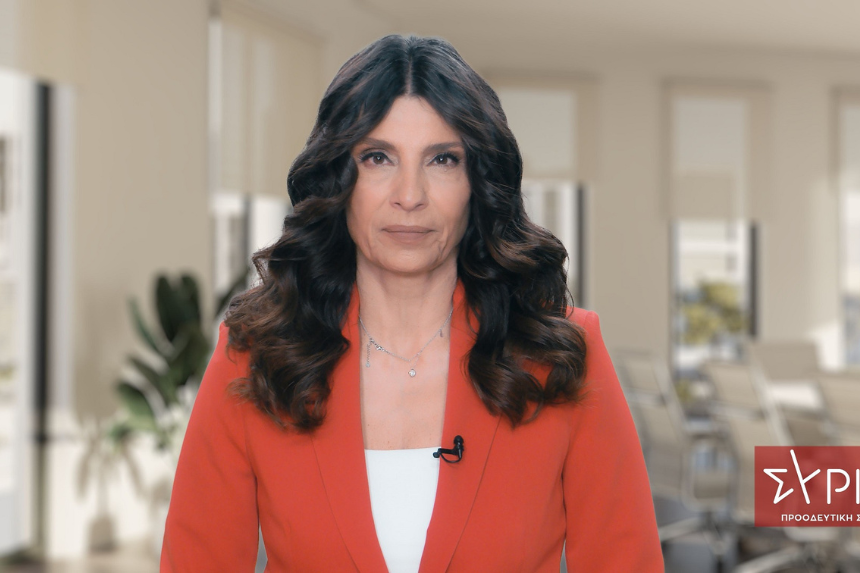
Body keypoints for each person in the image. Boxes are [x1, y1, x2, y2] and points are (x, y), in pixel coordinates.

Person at [161, 34, 663, 572]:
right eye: (377, 157)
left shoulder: (562, 355)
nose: (409, 195)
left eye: (442, 159)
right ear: (338, 177)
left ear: (477, 181)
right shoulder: (255, 355)